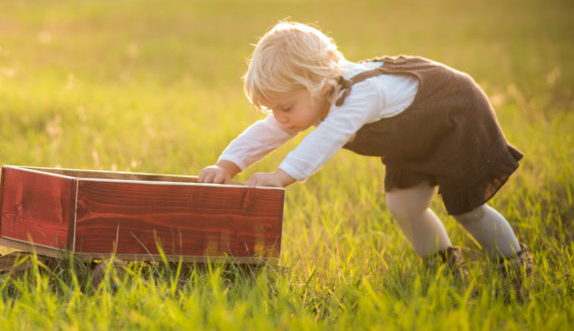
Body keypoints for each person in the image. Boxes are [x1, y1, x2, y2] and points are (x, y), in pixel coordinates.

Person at [198, 20, 531, 290]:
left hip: (453, 116)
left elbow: (327, 138)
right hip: (412, 140)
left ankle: (515, 268)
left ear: (317, 81)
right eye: (275, 109)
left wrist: (280, 177)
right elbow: (268, 130)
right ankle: (444, 269)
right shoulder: (311, 98)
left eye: (286, 107)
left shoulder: (359, 94)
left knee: (468, 208)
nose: (281, 117)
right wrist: (227, 165)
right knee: (404, 206)